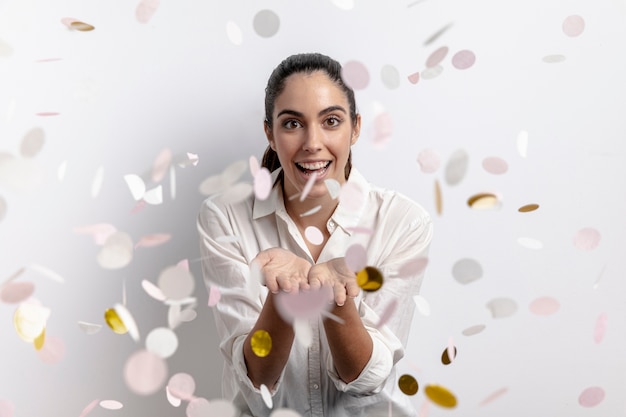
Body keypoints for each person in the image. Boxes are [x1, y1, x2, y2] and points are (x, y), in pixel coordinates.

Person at [197, 52, 433, 417]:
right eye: (292, 124)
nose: (312, 142)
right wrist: (284, 294)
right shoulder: (224, 217)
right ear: (270, 134)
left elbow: (368, 380)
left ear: (355, 128)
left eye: (331, 121)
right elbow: (256, 379)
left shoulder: (403, 221)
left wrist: (335, 299)